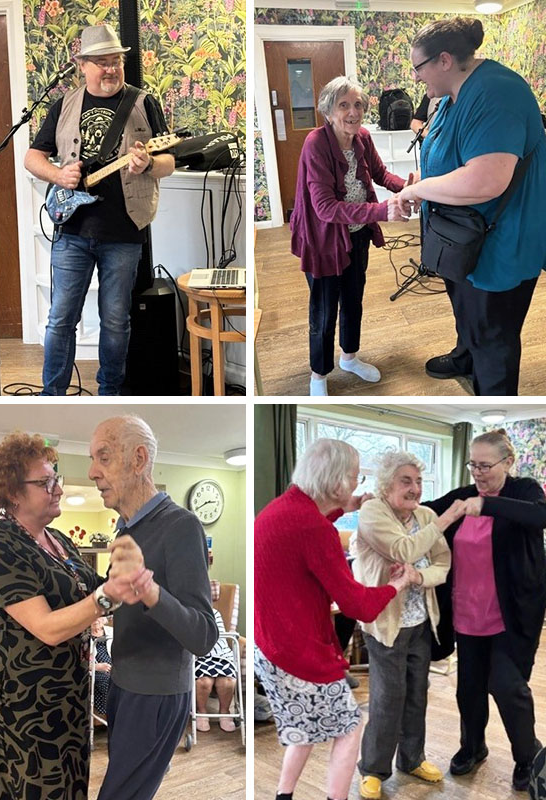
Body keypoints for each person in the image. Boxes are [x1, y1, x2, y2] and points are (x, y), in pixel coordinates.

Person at [0, 431, 150, 800]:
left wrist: (123, 573)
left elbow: (95, 594)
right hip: (26, 699)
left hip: (68, 691)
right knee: (35, 787)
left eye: (56, 479)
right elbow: (47, 628)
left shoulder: (60, 542)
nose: (58, 489)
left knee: (72, 782)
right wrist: (105, 595)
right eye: (45, 481)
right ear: (12, 492)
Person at [255, 438, 415, 800]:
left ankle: (284, 795)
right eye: (355, 480)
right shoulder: (316, 530)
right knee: (350, 726)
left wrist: (348, 507)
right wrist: (395, 585)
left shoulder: (278, 509)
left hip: (270, 647)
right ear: (337, 482)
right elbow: (358, 605)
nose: (357, 486)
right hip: (298, 655)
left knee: (303, 729)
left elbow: (304, 528)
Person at [396, 17, 546, 395]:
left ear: (444, 60)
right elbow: (450, 155)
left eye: (418, 67)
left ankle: (492, 388)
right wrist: (422, 183)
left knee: (493, 337)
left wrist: (422, 190)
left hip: (498, 245)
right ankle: (466, 354)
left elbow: (486, 179)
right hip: (462, 239)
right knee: (466, 312)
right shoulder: (450, 96)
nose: (416, 79)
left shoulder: (496, 93)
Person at [23, 25, 175, 396]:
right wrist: (59, 175)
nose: (111, 70)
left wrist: (148, 166)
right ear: (83, 67)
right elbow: (32, 157)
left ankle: (109, 392)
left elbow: (169, 160)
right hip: (72, 231)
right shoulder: (64, 105)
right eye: (103, 63)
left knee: (116, 321)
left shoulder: (142, 102)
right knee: (60, 319)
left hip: (124, 232)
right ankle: (52, 393)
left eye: (116, 62)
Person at [88, 415, 218, 800]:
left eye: (104, 457)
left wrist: (149, 589)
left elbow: (203, 635)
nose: (93, 472)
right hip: (124, 686)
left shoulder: (181, 525)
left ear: (139, 459)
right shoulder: (125, 529)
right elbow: (116, 598)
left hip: (156, 696)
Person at [422, 428, 546, 791]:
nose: (477, 473)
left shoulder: (524, 490)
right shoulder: (463, 495)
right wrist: (385, 502)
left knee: (507, 686)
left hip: (510, 614)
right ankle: (472, 747)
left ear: (508, 462)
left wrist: (487, 504)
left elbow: (540, 516)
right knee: (469, 688)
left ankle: (528, 755)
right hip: (468, 613)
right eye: (472, 465)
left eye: (485, 465)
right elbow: (426, 511)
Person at [289, 76, 411, 396]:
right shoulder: (316, 144)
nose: (353, 111)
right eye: (344, 105)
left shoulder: (363, 138)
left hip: (356, 233)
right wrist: (382, 211)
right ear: (328, 112)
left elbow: (381, 174)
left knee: (353, 299)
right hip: (323, 239)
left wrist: (410, 188)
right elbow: (326, 209)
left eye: (358, 104)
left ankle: (349, 357)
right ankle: (318, 374)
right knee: (325, 308)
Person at [352, 451, 462, 799]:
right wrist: (443, 522)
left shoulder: (424, 515)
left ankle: (412, 758)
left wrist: (419, 576)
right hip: (386, 624)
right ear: (387, 484)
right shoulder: (373, 512)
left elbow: (443, 561)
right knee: (388, 697)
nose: (415, 489)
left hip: (420, 622)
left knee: (417, 694)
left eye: (418, 481)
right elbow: (402, 549)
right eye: (406, 481)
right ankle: (373, 768)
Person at [195, 584, 237, 733]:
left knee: (227, 682)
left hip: (221, 654)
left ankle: (224, 713)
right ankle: (201, 713)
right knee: (204, 682)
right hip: (200, 655)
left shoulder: (215, 613)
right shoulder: (189, 615)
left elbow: (218, 638)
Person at [92, 616, 113, 718]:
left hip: (115, 667)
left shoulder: (112, 632)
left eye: (99, 617)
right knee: (109, 681)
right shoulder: (84, 635)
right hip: (96, 670)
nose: (96, 620)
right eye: (92, 618)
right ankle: (111, 714)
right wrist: (96, 667)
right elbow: (81, 660)